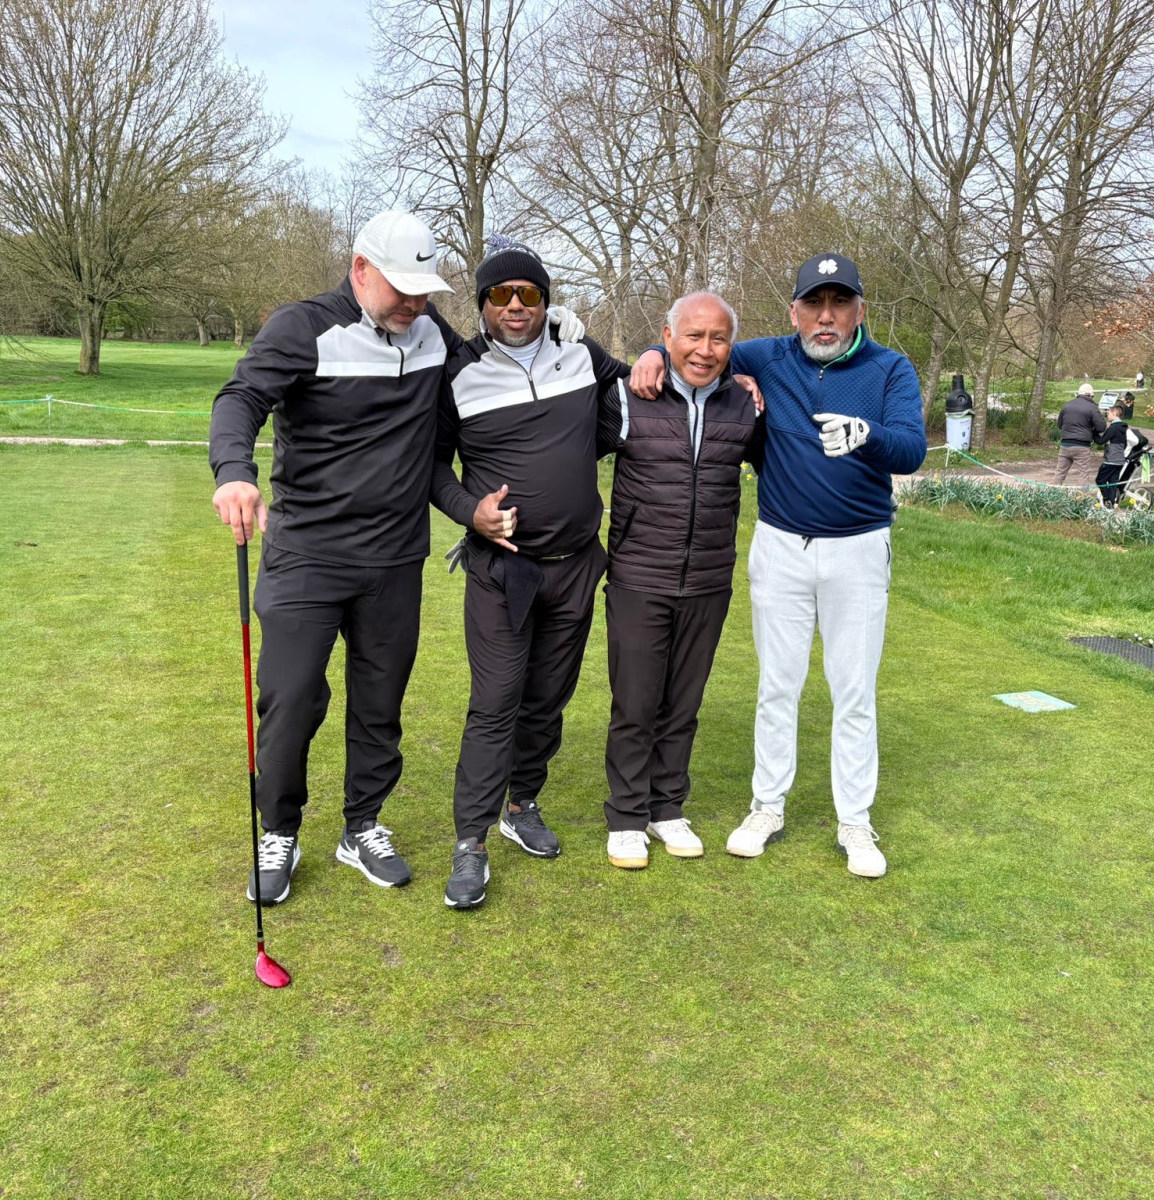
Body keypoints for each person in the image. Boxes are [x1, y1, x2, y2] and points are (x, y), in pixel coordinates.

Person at [209, 211, 583, 906]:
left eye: (423, 292)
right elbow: (241, 398)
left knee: (380, 705)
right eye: (401, 290)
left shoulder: (431, 333)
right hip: (307, 556)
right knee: (290, 698)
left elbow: (501, 362)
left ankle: (362, 826)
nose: (414, 304)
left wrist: (560, 334)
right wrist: (235, 472)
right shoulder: (303, 329)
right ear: (360, 270)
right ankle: (280, 830)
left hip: (394, 559)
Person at [629, 252, 927, 878]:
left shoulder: (889, 367)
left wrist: (867, 434)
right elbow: (700, 351)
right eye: (814, 304)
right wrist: (653, 354)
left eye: (839, 304)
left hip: (858, 547)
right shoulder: (765, 356)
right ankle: (767, 806)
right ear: (794, 312)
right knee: (777, 686)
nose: (826, 317)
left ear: (860, 311)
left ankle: (855, 820)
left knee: (853, 691)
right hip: (781, 545)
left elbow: (911, 450)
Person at [430, 236, 628, 909]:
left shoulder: (581, 354)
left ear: (546, 301)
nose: (515, 305)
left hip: (576, 565)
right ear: (482, 303)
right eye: (500, 294)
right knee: (496, 702)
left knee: (547, 697)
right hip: (503, 570)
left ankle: (522, 804)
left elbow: (644, 381)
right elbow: (432, 468)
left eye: (529, 294)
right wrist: (471, 513)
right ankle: (471, 841)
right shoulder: (457, 372)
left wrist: (722, 375)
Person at [602, 292, 763, 870]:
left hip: (709, 578)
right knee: (636, 701)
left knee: (683, 703)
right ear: (668, 336)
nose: (705, 349)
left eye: (718, 338)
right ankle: (627, 816)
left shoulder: (745, 404)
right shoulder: (629, 394)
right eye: (693, 335)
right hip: (638, 574)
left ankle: (666, 807)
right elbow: (565, 457)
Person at [1054, 382, 1106, 486]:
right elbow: (1101, 427)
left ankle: (1053, 492)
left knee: (1060, 472)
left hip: (1065, 444)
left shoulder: (1067, 406)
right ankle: (1082, 495)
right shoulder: (1092, 407)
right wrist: (1091, 429)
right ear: (1090, 395)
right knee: (1083, 473)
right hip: (1082, 446)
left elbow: (1060, 425)